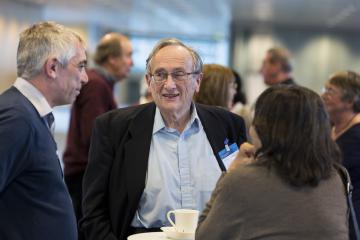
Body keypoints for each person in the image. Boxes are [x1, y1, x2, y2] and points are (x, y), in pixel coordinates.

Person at [80, 38, 247, 240]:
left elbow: (243, 199)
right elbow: (93, 212)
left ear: (198, 81)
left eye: (179, 74)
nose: (169, 85)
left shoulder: (228, 126)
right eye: (160, 75)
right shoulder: (114, 128)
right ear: (149, 82)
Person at [196, 85, 349, 240]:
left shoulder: (243, 180)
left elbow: (204, 236)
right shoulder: (336, 178)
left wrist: (230, 173)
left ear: (264, 128)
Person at [0, 21, 88, 240]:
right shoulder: (16, 119)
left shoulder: (27, 114)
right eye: (81, 66)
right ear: (52, 68)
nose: (85, 78)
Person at [62, 32, 133, 238]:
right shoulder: (96, 85)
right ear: (112, 58)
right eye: (128, 55)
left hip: (83, 174)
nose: (132, 62)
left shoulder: (101, 83)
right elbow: (95, 136)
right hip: (84, 176)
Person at [322, 70, 360, 240]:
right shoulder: (329, 128)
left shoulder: (357, 133)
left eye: (330, 91)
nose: (324, 95)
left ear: (350, 100)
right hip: (334, 208)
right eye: (325, 89)